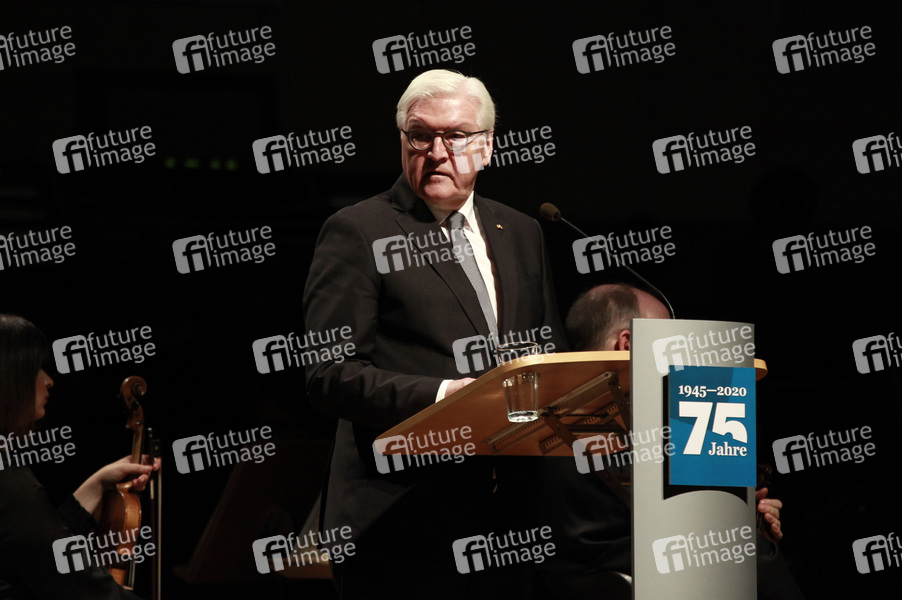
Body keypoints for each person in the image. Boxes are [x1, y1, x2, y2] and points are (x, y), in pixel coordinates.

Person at [303, 69, 567, 599]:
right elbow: (328, 374)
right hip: (400, 521)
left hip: (508, 521)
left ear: (487, 146)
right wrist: (448, 397)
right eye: (421, 135)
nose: (437, 152)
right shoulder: (360, 230)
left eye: (457, 136)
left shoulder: (520, 231)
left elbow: (547, 357)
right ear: (403, 140)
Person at [535, 283, 805, 600]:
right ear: (628, 343)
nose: (682, 356)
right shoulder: (678, 412)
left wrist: (747, 513)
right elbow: (731, 541)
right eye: (670, 340)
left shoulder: (537, 421)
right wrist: (743, 521)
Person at [0, 313, 159, 600]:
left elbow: (41, 551)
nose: (48, 381)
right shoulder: (7, 480)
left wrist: (99, 483)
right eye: (36, 369)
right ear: (11, 377)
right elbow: (77, 583)